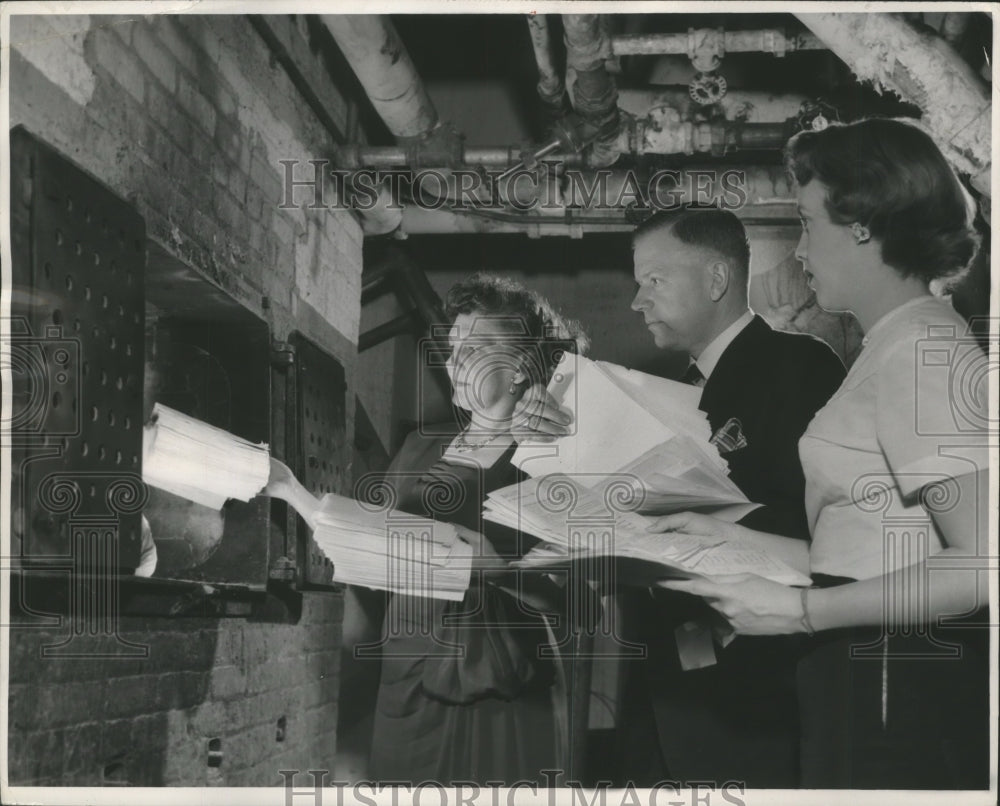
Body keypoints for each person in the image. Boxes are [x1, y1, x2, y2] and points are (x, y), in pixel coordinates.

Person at [651, 118, 990, 789]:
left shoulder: (921, 350)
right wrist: (719, 535)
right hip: (862, 666)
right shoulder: (889, 347)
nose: (799, 252)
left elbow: (983, 565)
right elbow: (860, 557)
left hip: (898, 680)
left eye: (807, 224)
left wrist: (801, 612)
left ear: (862, 223)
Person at [517, 207, 846, 787]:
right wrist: (556, 451)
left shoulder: (798, 365)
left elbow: (834, 532)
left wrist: (704, 521)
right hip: (665, 683)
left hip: (754, 695)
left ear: (716, 279)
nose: (637, 302)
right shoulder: (669, 394)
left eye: (654, 281)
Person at [269, 273, 589, 784]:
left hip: (494, 686)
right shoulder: (420, 446)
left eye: (479, 348)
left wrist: (500, 571)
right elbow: (370, 543)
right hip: (406, 674)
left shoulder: (548, 459)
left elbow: (581, 602)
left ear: (522, 368)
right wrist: (292, 493)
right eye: (455, 347)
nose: (457, 363)